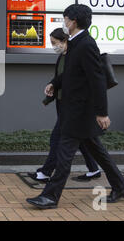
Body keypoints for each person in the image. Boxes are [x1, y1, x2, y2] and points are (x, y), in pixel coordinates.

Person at [27, 4, 124, 209]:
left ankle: (50, 196)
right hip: (76, 110)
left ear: (73, 21)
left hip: (80, 111)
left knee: (64, 155)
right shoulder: (76, 43)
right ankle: (121, 186)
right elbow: (73, 73)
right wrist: (55, 83)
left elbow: (97, 80)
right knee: (98, 152)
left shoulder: (86, 44)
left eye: (65, 19)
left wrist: (102, 112)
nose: (63, 22)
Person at [28, 28, 101, 183]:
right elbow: (61, 78)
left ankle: (46, 172)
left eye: (55, 43)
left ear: (64, 41)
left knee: (57, 138)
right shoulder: (63, 57)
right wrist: (52, 85)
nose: (53, 46)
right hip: (64, 103)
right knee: (83, 139)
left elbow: (90, 80)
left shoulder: (75, 56)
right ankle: (94, 169)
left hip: (73, 106)